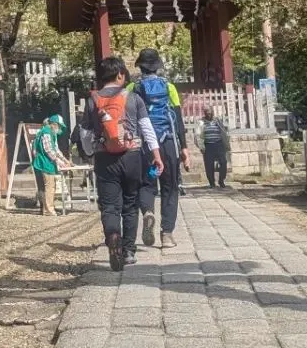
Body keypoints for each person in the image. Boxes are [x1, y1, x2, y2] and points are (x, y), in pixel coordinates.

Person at [82, 56, 163, 271]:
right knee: (130, 204)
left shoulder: (93, 100)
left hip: (105, 159)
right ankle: (128, 251)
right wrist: (156, 155)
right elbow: (147, 129)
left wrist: (92, 152)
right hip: (132, 156)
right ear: (120, 75)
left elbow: (84, 133)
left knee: (109, 206)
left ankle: (113, 237)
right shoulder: (133, 98)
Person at [130, 47, 190, 249]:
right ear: (157, 67)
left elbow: (128, 117)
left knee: (146, 183)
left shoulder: (133, 88)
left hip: (146, 146)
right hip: (168, 144)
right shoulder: (169, 87)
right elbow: (178, 119)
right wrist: (184, 148)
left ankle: (148, 211)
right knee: (170, 187)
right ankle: (167, 234)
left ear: (141, 67)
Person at [31, 113, 72, 216]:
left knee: (49, 186)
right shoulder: (47, 132)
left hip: (46, 163)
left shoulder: (49, 133)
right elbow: (49, 150)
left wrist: (65, 160)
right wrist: (60, 162)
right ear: (54, 124)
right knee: (49, 187)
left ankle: (47, 209)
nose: (60, 128)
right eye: (59, 126)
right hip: (44, 163)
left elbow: (56, 149)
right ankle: (49, 209)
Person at [200, 105, 231, 189]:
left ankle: (221, 180)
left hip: (219, 144)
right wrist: (201, 147)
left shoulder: (217, 120)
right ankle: (211, 182)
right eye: (207, 113)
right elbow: (198, 135)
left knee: (223, 162)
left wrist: (226, 144)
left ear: (212, 112)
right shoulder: (202, 122)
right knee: (209, 165)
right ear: (205, 113)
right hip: (208, 145)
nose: (208, 115)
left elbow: (223, 131)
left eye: (210, 113)